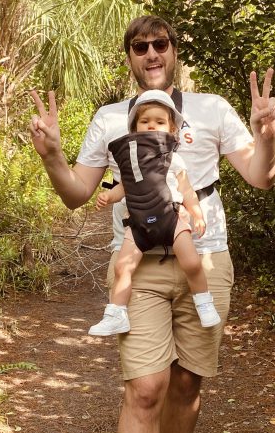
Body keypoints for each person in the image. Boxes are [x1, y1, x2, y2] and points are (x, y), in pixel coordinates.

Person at [29, 14, 275, 433]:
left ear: (174, 52)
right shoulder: (112, 120)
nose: (150, 52)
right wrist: (52, 155)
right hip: (140, 264)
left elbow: (260, 177)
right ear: (130, 56)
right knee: (146, 386)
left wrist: (267, 134)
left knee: (189, 382)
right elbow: (76, 193)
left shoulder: (215, 109)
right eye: (139, 46)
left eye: (159, 44)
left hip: (205, 256)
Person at [89, 89, 221, 336]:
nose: (151, 126)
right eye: (145, 121)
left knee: (191, 262)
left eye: (159, 122)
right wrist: (109, 196)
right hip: (139, 224)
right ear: (134, 129)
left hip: (171, 219)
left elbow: (187, 189)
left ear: (172, 130)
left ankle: (204, 302)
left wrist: (197, 213)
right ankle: (116, 313)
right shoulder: (131, 161)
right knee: (122, 268)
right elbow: (124, 187)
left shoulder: (173, 160)